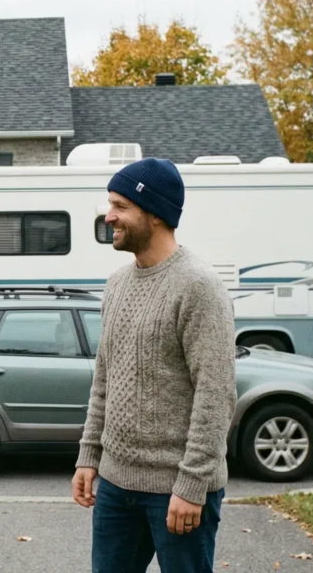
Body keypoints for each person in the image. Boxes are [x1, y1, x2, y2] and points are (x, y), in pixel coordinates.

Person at [71, 157, 237, 573]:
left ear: (156, 214)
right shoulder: (116, 285)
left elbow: (216, 394)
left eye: (120, 206)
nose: (109, 217)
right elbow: (105, 379)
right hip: (114, 486)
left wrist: (192, 484)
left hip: (176, 490)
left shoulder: (199, 287)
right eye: (110, 205)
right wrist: (89, 455)